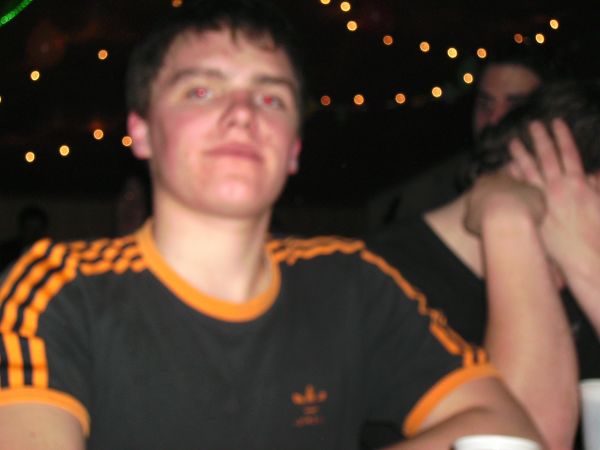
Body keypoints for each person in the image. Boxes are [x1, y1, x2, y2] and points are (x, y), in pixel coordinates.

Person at [0, 1, 542, 449]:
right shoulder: (59, 289)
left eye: (271, 97)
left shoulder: (351, 281)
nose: (244, 114)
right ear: (141, 132)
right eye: (201, 91)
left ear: (294, 149)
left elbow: (507, 428)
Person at [369, 79, 600, 449]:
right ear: (548, 176)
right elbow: (528, 439)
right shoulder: (374, 283)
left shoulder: (579, 279)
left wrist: (589, 267)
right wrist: (509, 219)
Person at [373, 43, 552, 226]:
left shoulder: (560, 202)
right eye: (485, 104)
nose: (494, 120)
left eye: (515, 107)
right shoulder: (429, 197)